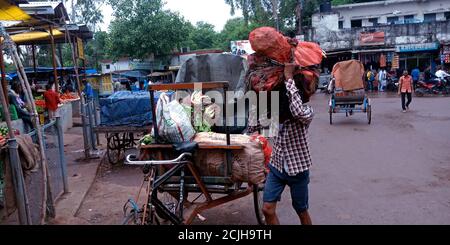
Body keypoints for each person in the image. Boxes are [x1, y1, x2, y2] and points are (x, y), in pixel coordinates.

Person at [250, 63, 314, 225]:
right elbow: (254, 127)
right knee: (267, 209)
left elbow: (297, 111)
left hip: (298, 170)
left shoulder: (305, 114)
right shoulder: (274, 116)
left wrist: (289, 78)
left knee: (301, 210)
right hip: (277, 168)